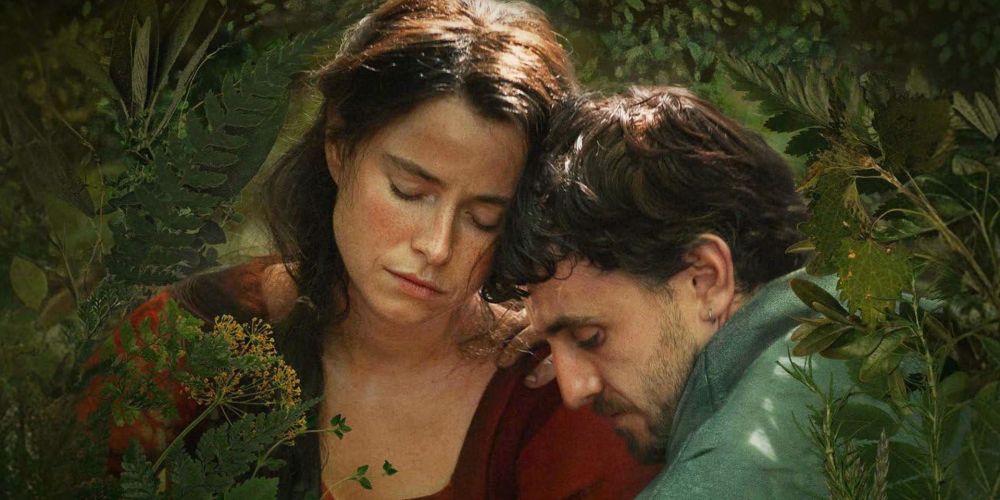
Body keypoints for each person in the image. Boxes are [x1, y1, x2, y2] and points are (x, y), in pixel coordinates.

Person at [77, 1, 659, 498]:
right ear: (338, 146)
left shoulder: (560, 397)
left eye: (484, 218)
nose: (436, 247)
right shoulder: (189, 339)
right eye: (409, 191)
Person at [485, 87, 854, 498]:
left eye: (591, 337)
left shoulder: (725, 477)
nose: (573, 391)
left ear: (706, 280)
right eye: (552, 350)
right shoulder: (883, 328)